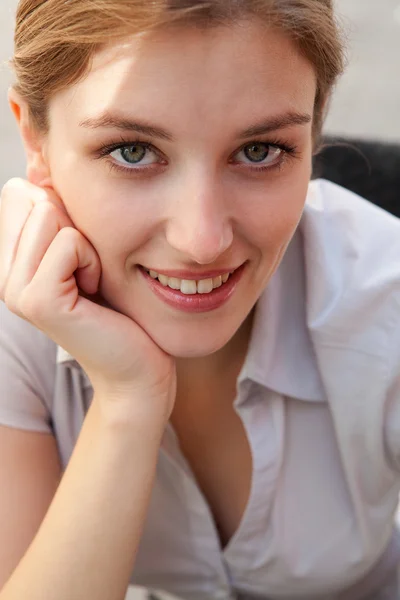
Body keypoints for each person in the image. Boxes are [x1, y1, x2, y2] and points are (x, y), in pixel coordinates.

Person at [0, 1, 399, 599]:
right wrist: (128, 399)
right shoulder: (15, 325)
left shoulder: (384, 301)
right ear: (34, 138)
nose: (202, 240)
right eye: (132, 151)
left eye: (261, 150)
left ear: (313, 139)